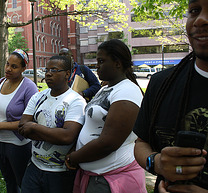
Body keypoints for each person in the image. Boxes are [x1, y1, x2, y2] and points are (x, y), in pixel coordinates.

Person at [133, 0, 208, 192]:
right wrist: (156, 163)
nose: (200, 20)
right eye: (194, 10)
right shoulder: (161, 83)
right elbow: (141, 144)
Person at [65, 39, 146, 193]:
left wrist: (74, 157)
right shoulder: (105, 89)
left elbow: (108, 142)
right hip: (93, 175)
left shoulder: (128, 91)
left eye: (101, 61)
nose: (97, 66)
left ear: (117, 63)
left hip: (111, 179)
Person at [18, 55, 86, 193]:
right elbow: (22, 126)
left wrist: (34, 127)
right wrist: (54, 134)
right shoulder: (38, 96)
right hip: (34, 167)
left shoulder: (76, 101)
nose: (48, 73)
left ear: (67, 74)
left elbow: (67, 137)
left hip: (61, 173)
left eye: (54, 70)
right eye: (47, 69)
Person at [0, 49, 38, 193]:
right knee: (9, 181)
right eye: (7, 64)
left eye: (14, 66)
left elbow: (31, 120)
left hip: (18, 145)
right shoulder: (1, 82)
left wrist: (0, 125)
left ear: (23, 68)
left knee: (22, 182)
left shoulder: (29, 87)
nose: (8, 69)